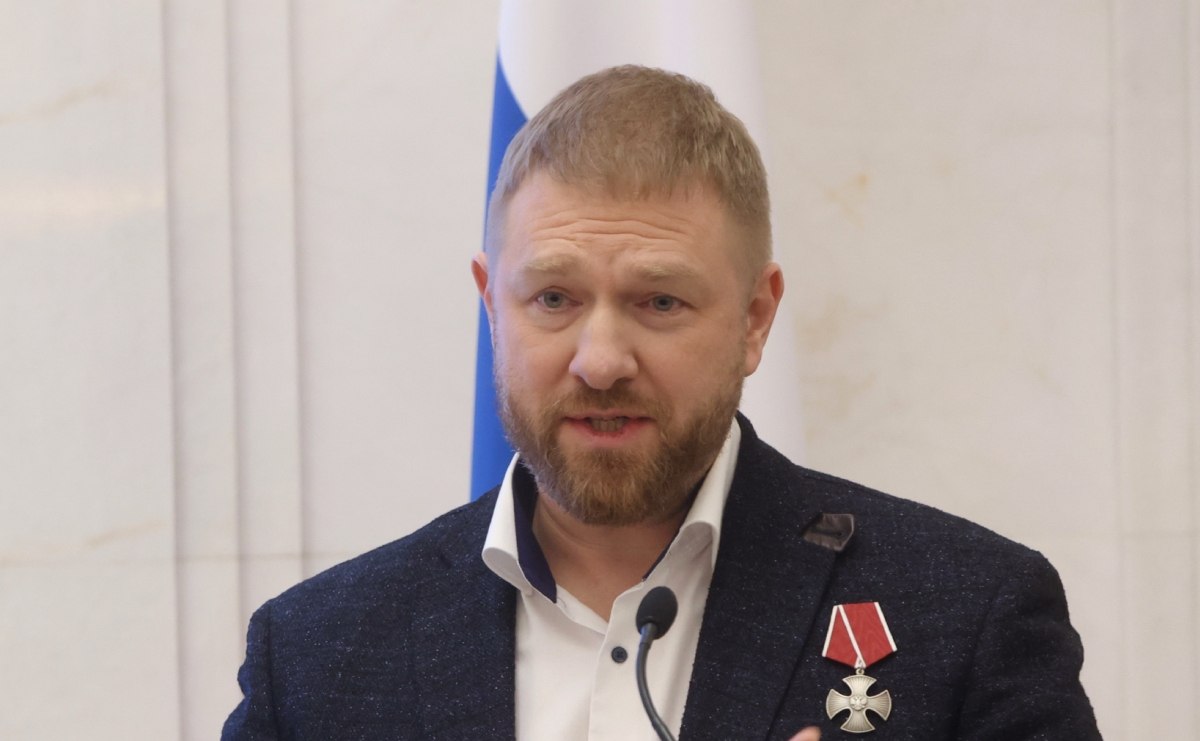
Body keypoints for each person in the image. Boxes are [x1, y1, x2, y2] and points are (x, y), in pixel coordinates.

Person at [223, 65, 1101, 740]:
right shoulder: (315, 659)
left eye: (660, 301)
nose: (601, 361)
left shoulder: (968, 614)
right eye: (554, 298)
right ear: (492, 307)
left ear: (754, 318)